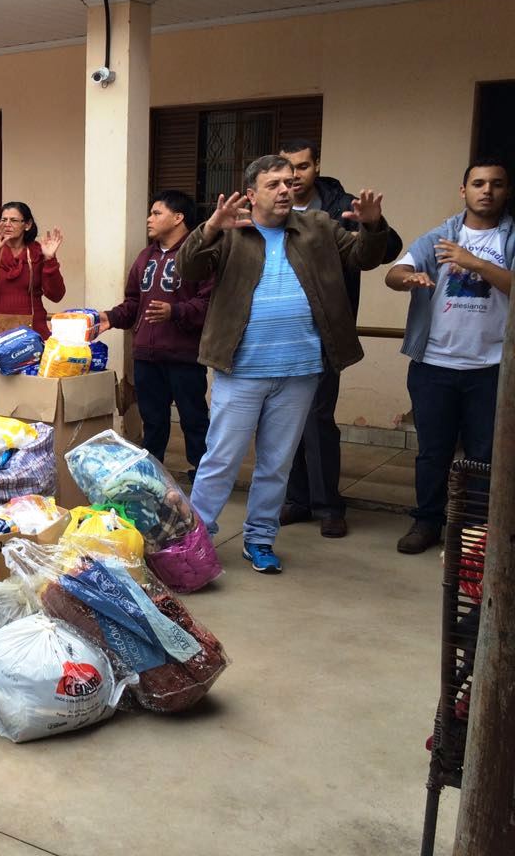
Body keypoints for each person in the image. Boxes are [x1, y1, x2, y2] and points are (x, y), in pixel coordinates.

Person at [177, 154, 388, 575]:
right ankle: (195, 541)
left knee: (277, 463)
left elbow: (364, 257)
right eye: (274, 184)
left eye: (290, 183)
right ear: (251, 193)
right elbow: (188, 269)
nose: (285, 190)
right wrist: (212, 227)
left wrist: (372, 225)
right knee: (220, 460)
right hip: (240, 369)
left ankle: (259, 539)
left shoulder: (318, 227)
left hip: (300, 370)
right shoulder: (232, 230)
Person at [277, 139, 405, 538]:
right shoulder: (270, 205)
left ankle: (329, 505)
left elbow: (389, 249)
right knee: (285, 418)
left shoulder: (340, 205)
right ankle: (297, 499)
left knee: (316, 417)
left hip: (324, 330)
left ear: (317, 166)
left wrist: (371, 224)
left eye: (302, 167)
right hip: (278, 330)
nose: (294, 177)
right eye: (286, 169)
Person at [385, 157, 511, 554]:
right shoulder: (440, 236)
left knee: (484, 456)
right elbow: (393, 273)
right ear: (464, 191)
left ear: (506, 191)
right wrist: (409, 278)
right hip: (434, 365)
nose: (486, 190)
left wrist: (473, 262)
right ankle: (426, 523)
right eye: (478, 183)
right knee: (433, 453)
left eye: (495, 184)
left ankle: (474, 534)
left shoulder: (510, 239)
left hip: (492, 368)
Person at [96, 191, 212, 476]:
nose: (149, 219)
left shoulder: (199, 254)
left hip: (184, 355)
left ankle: (204, 475)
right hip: (147, 354)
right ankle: (152, 475)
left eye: (156, 213)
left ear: (178, 217)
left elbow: (208, 303)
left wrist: (175, 312)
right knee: (153, 420)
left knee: (194, 420)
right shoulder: (145, 256)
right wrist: (110, 318)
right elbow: (135, 302)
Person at [0, 201, 65, 341]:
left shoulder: (38, 252)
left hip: (33, 335)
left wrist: (50, 259)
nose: (7, 224)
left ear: (27, 224)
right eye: (3, 220)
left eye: (13, 220)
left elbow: (56, 295)